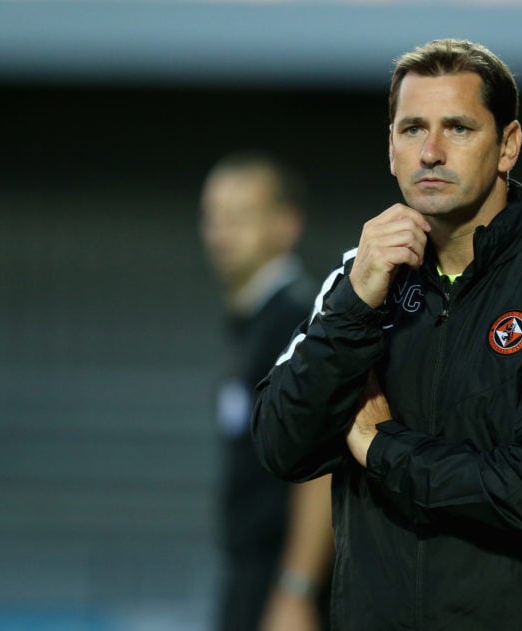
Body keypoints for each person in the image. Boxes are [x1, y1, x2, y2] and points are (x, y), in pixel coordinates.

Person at [249, 38, 522, 630]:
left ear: (507, 145)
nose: (430, 151)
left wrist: (382, 448)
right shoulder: (356, 282)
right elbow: (280, 443)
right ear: (390, 148)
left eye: (457, 128)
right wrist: (356, 304)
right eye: (411, 129)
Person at [199, 151, 334, 631]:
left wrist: (296, 589)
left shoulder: (295, 322)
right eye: (213, 216)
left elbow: (320, 462)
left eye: (239, 217)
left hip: (278, 579)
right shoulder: (254, 322)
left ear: (286, 224)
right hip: (252, 573)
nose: (220, 233)